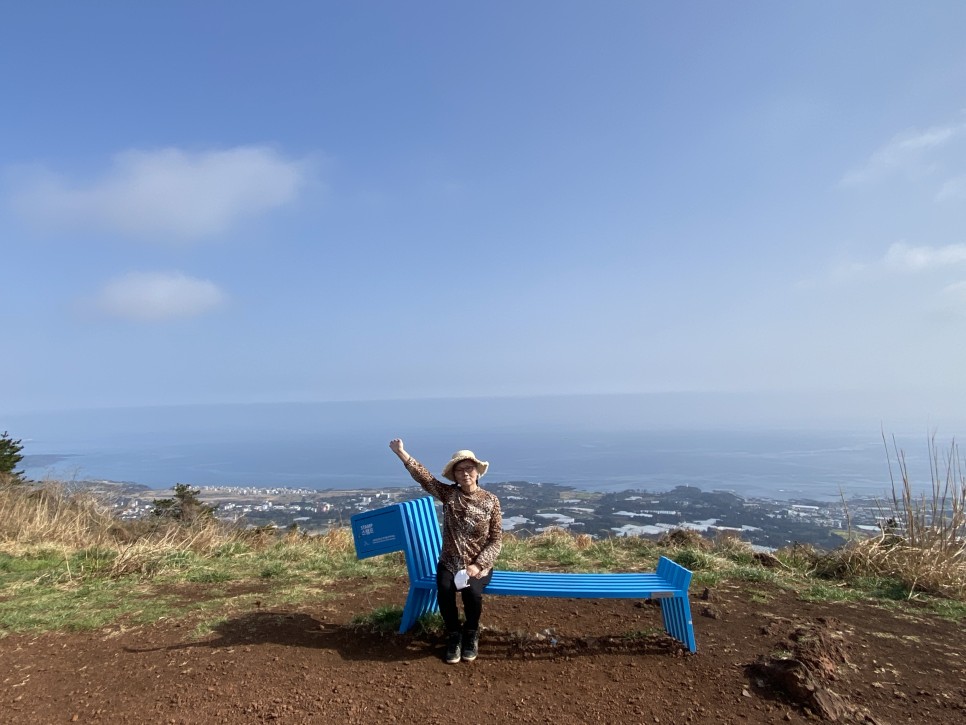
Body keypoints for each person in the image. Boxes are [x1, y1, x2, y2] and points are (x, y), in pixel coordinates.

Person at [389, 438, 502, 664]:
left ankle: (471, 633)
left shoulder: (491, 501)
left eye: (469, 468)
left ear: (477, 472)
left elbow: (496, 539)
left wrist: (478, 565)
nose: (465, 473)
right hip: (449, 562)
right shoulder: (449, 495)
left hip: (478, 564)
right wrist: (401, 453)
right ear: (454, 475)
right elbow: (425, 478)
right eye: (459, 470)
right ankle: (453, 634)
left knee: (472, 593)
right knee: (444, 589)